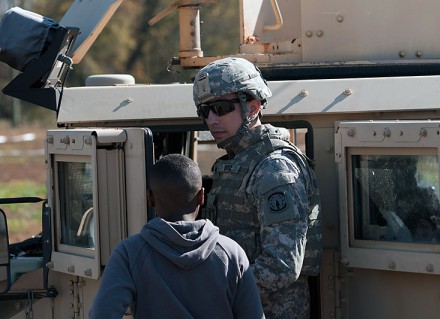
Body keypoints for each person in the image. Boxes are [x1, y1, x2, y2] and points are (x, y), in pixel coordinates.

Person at [193, 57, 322, 318]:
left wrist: (218, 293)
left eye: (220, 107)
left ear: (252, 107)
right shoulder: (236, 161)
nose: (211, 120)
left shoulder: (274, 169)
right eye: (204, 111)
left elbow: (282, 265)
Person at [89, 154, 264, 319]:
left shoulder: (129, 253)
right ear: (201, 196)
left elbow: (102, 314)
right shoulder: (231, 253)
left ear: (150, 198)